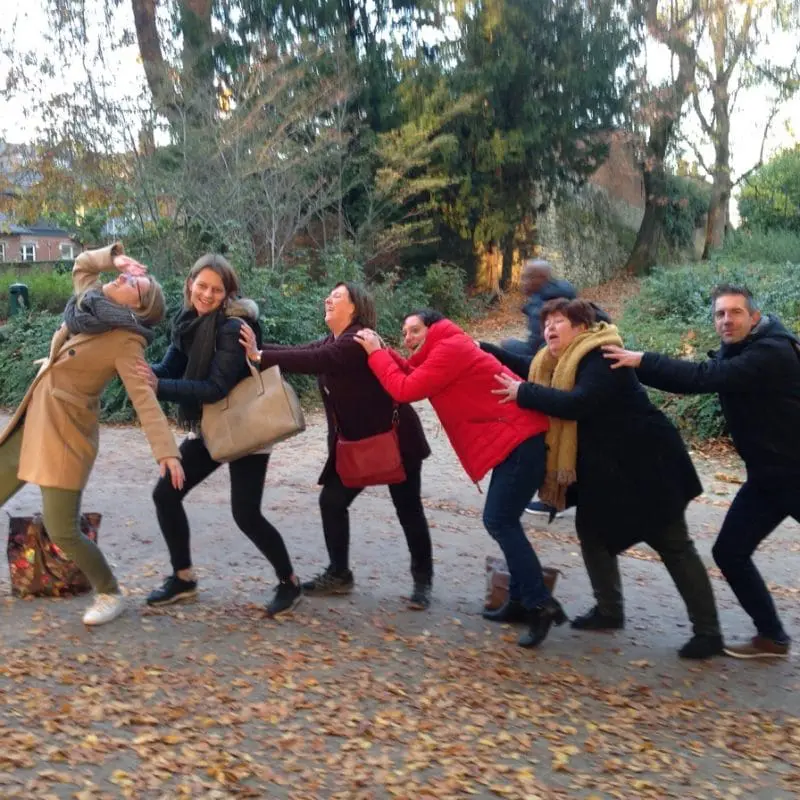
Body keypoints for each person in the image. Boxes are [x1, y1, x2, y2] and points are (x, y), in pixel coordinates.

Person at [489, 298, 723, 659]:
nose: (548, 329)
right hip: (608, 470)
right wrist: (480, 348)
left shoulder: (602, 357)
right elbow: (526, 367)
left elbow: (579, 402)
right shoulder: (557, 361)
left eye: (558, 321)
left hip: (648, 465)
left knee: (671, 542)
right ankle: (609, 610)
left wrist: (525, 394)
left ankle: (708, 632)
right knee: (592, 532)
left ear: (581, 327)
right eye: (546, 323)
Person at [604, 284, 799, 659]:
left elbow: (702, 377)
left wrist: (642, 361)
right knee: (730, 552)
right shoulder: (742, 349)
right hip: (769, 477)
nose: (727, 320)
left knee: (730, 552)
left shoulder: (771, 353)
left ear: (754, 317)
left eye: (736, 312)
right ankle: (772, 637)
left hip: (793, 473)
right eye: (720, 314)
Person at [354, 310, 568, 649]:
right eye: (404, 333)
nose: (408, 339)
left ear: (434, 328)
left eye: (415, 330)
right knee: (504, 520)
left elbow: (404, 388)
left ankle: (540, 604)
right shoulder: (445, 348)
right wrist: (384, 351)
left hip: (521, 441)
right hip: (515, 442)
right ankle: (518, 599)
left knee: (499, 520)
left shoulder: (451, 349)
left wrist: (376, 354)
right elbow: (410, 371)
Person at [0, 243, 184, 626]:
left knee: (62, 530)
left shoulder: (126, 340)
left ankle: (109, 592)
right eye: (130, 275)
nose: (126, 278)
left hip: (65, 437)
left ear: (137, 309)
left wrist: (167, 452)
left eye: (135, 284)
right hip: (34, 420)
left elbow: (144, 399)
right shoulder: (91, 305)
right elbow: (83, 265)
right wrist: (115, 258)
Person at [239, 282, 435, 609]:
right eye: (329, 294)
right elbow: (302, 351)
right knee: (332, 501)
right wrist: (255, 348)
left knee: (408, 509)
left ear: (354, 307)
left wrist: (260, 355)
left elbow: (317, 359)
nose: (328, 298)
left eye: (338, 296)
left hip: (398, 441)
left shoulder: (359, 340)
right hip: (358, 446)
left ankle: (423, 581)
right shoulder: (334, 339)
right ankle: (339, 574)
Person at [138, 254, 301, 618]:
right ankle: (183, 579)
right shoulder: (187, 322)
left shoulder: (233, 327)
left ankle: (289, 582)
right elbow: (169, 368)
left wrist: (158, 386)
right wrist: (138, 369)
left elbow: (215, 388)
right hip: (211, 426)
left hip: (247, 426)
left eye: (217, 289)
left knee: (246, 514)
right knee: (166, 494)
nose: (208, 295)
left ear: (228, 293)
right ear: (190, 284)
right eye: (202, 286)